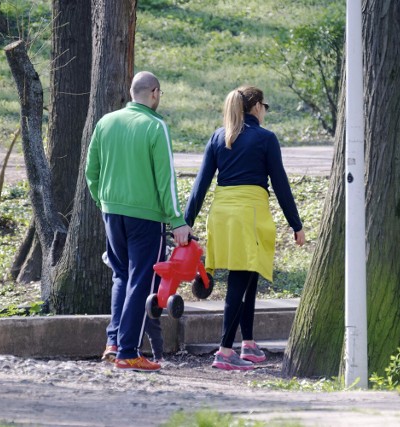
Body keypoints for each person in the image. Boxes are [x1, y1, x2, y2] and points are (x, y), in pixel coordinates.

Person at [184, 85, 306, 371]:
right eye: (265, 106)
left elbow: (200, 185)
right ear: (256, 107)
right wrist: (296, 224)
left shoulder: (219, 136)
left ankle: (248, 343)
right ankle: (225, 351)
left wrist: (186, 222)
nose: (265, 112)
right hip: (248, 216)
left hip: (222, 215)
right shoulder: (265, 139)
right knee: (239, 280)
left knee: (248, 276)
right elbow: (280, 184)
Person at [86, 71, 191, 371]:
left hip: (112, 213)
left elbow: (91, 172)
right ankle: (128, 351)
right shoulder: (155, 126)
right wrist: (176, 220)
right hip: (146, 218)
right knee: (141, 281)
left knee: (121, 276)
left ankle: (114, 343)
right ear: (155, 93)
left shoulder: (105, 122)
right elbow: (165, 179)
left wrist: (104, 201)